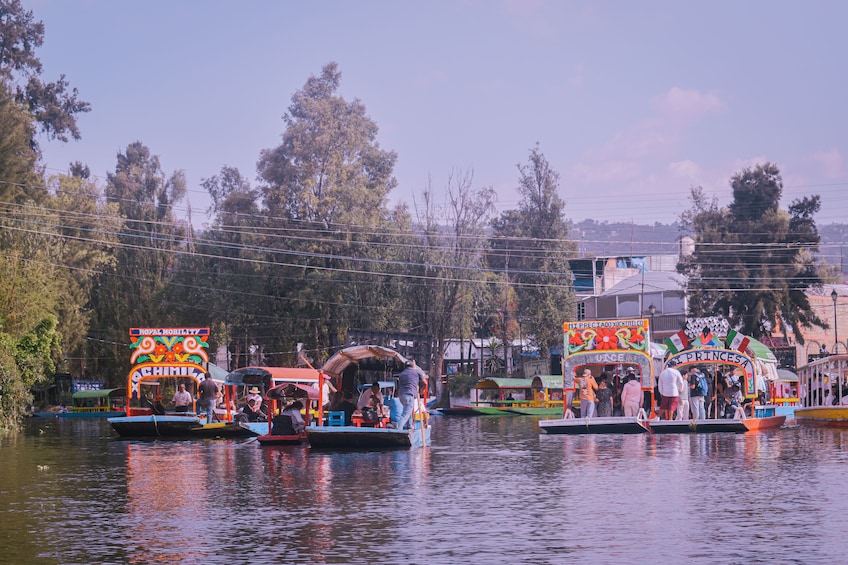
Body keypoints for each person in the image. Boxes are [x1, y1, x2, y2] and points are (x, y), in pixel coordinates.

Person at [397, 360, 428, 430]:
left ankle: (409, 426)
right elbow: (425, 382)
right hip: (409, 395)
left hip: (401, 396)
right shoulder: (417, 371)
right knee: (405, 414)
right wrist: (422, 389)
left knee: (408, 410)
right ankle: (398, 430)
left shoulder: (402, 374)